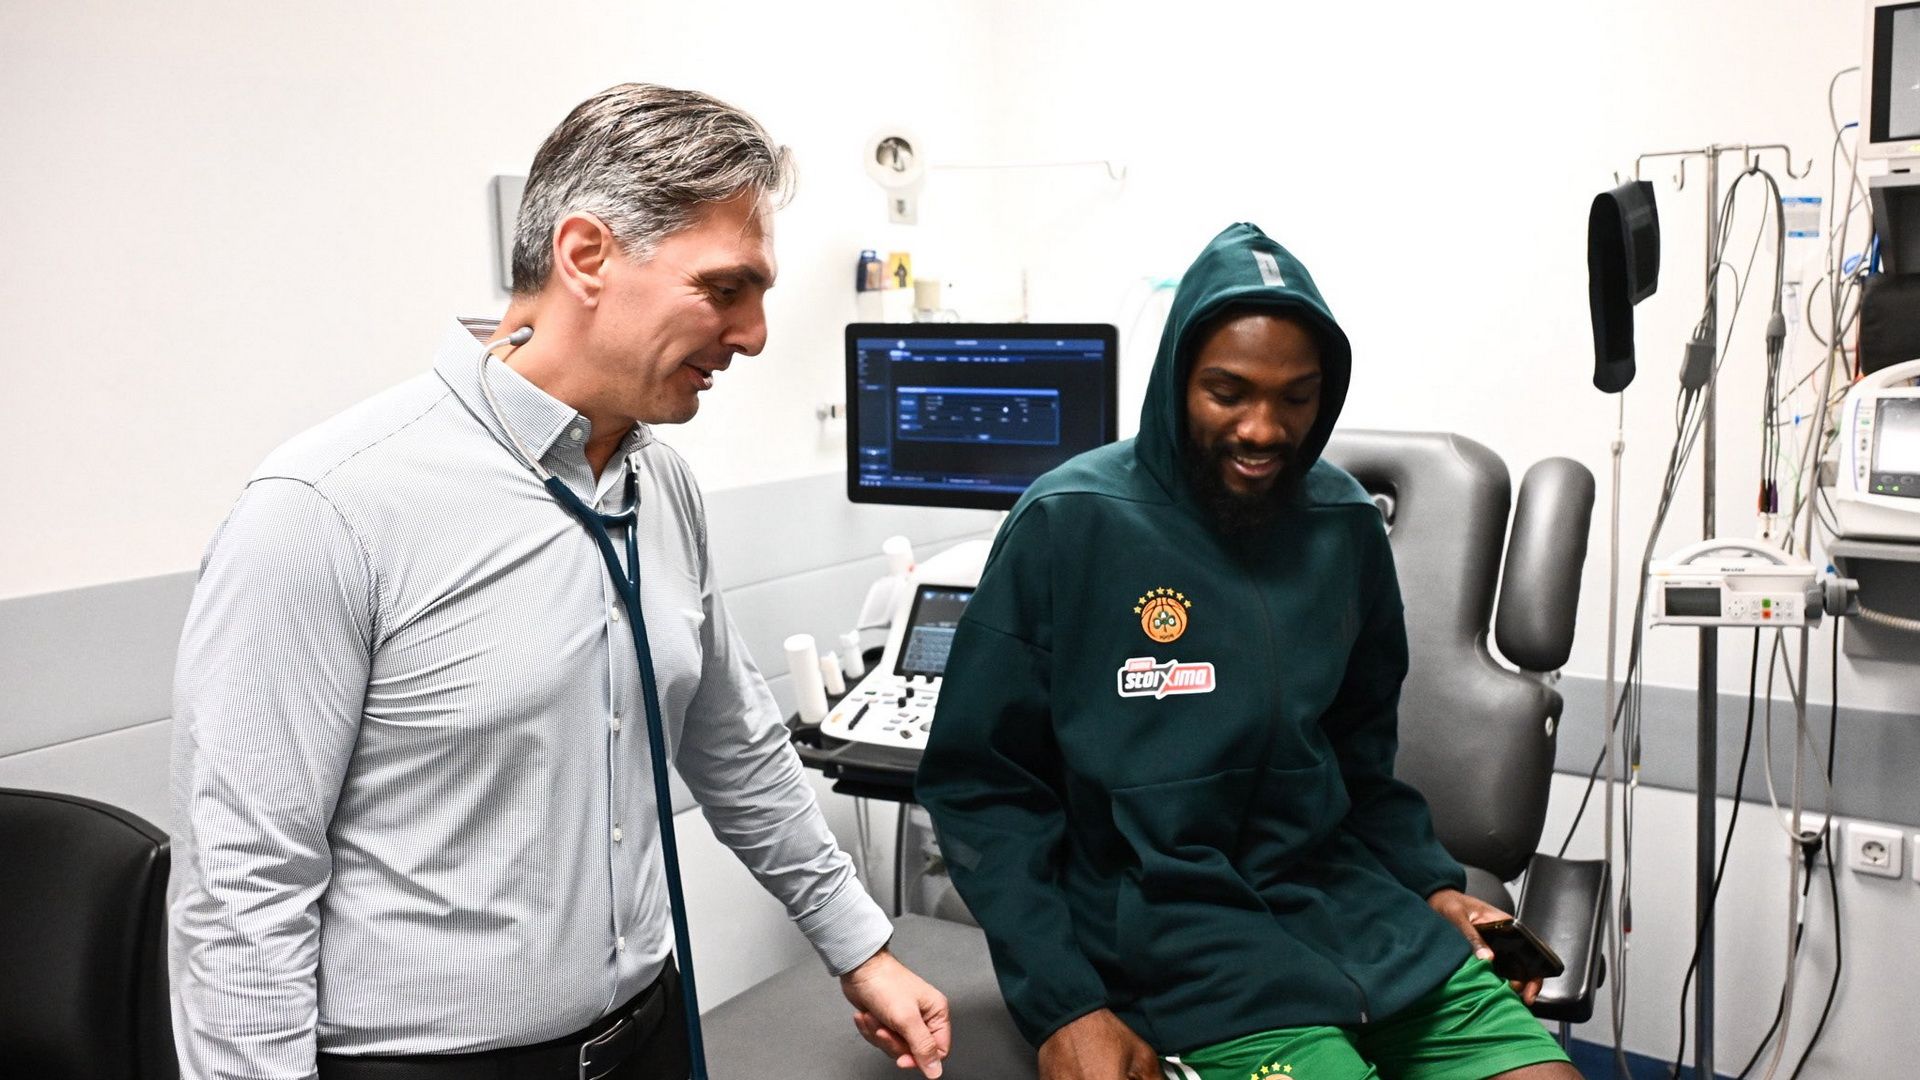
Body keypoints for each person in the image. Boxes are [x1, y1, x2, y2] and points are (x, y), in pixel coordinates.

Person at [169, 83, 950, 1080]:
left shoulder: (659, 486)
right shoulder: (327, 509)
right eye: (725, 289)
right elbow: (243, 890)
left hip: (646, 1035)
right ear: (586, 256)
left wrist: (859, 946)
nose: (755, 335)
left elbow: (736, 749)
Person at [915, 223, 1578, 1080]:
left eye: (1296, 398)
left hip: (1350, 912)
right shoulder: (1069, 523)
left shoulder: (1345, 526)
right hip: (1174, 944)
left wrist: (1432, 884)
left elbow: (1360, 760)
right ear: (1176, 381)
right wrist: (1062, 1005)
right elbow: (982, 788)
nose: (1264, 429)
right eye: (1228, 393)